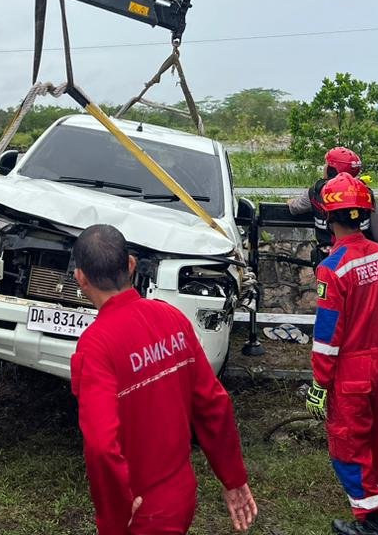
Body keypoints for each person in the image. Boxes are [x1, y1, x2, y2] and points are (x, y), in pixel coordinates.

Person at [69, 224, 258, 535]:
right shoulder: (170, 317)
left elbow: (102, 446)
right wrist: (233, 479)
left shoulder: (96, 346)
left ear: (81, 277)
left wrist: (116, 511)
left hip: (141, 510)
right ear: (130, 265)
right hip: (181, 493)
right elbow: (214, 405)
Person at [309, 173, 378, 534]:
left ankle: (368, 521)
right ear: (365, 215)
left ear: (327, 218)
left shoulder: (332, 269)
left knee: (349, 446)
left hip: (351, 372)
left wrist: (320, 382)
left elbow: (327, 338)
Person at [287, 147, 378, 249]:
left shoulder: (315, 191)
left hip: (327, 258)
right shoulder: (364, 193)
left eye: (326, 164)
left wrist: (291, 201)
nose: (324, 167)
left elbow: (295, 208)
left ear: (332, 169)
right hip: (362, 256)